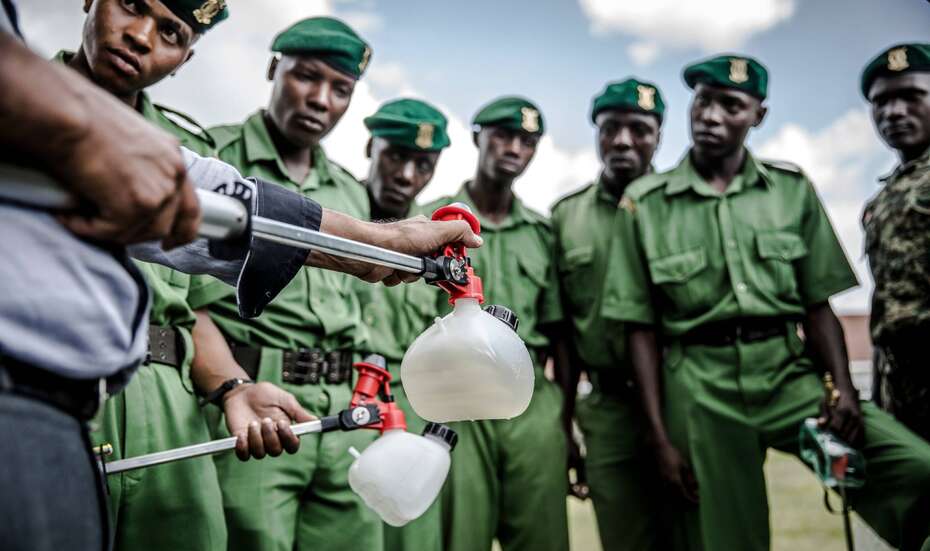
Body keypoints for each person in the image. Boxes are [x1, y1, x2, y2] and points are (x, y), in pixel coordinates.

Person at [0, 4, 479, 549]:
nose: (138, 36)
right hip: (48, 385)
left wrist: (384, 244)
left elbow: (207, 196)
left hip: (247, 400)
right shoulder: (34, 98)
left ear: (186, 55)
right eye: (130, 4)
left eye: (171, 31)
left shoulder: (306, 180)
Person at [600, 53, 930, 551]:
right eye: (704, 102)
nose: (711, 115)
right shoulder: (645, 202)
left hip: (786, 372)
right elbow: (639, 330)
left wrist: (841, 388)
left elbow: (818, 305)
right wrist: (659, 436)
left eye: (731, 105)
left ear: (758, 115)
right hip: (700, 385)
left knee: (915, 470)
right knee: (726, 536)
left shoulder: (790, 190)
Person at [187, 16, 386, 551]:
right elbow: (191, 308)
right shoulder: (214, 160)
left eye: (340, 89)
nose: (321, 99)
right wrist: (230, 388)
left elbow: (363, 321)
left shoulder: (349, 189)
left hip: (345, 414)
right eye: (306, 77)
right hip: (257, 407)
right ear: (274, 69)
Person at [423, 96, 569, 551]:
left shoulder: (543, 233)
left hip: (531, 404)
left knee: (542, 536)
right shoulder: (431, 222)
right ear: (477, 138)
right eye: (503, 135)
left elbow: (561, 331)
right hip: (459, 399)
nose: (513, 148)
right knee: (462, 535)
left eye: (527, 141)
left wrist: (563, 419)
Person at [550, 78, 666, 551]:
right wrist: (565, 425)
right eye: (610, 128)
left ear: (659, 134)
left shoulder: (681, 203)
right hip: (607, 409)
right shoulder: (566, 217)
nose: (622, 141)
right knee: (623, 538)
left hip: (684, 399)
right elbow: (563, 334)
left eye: (639, 129)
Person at [353, 98, 451, 551]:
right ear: (371, 145)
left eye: (424, 164)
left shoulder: (442, 242)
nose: (408, 175)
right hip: (338, 399)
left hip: (411, 414)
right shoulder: (326, 213)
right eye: (396, 156)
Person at [861, 43, 930, 443]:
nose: (894, 112)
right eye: (881, 101)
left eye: (911, 96)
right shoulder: (883, 199)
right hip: (902, 390)